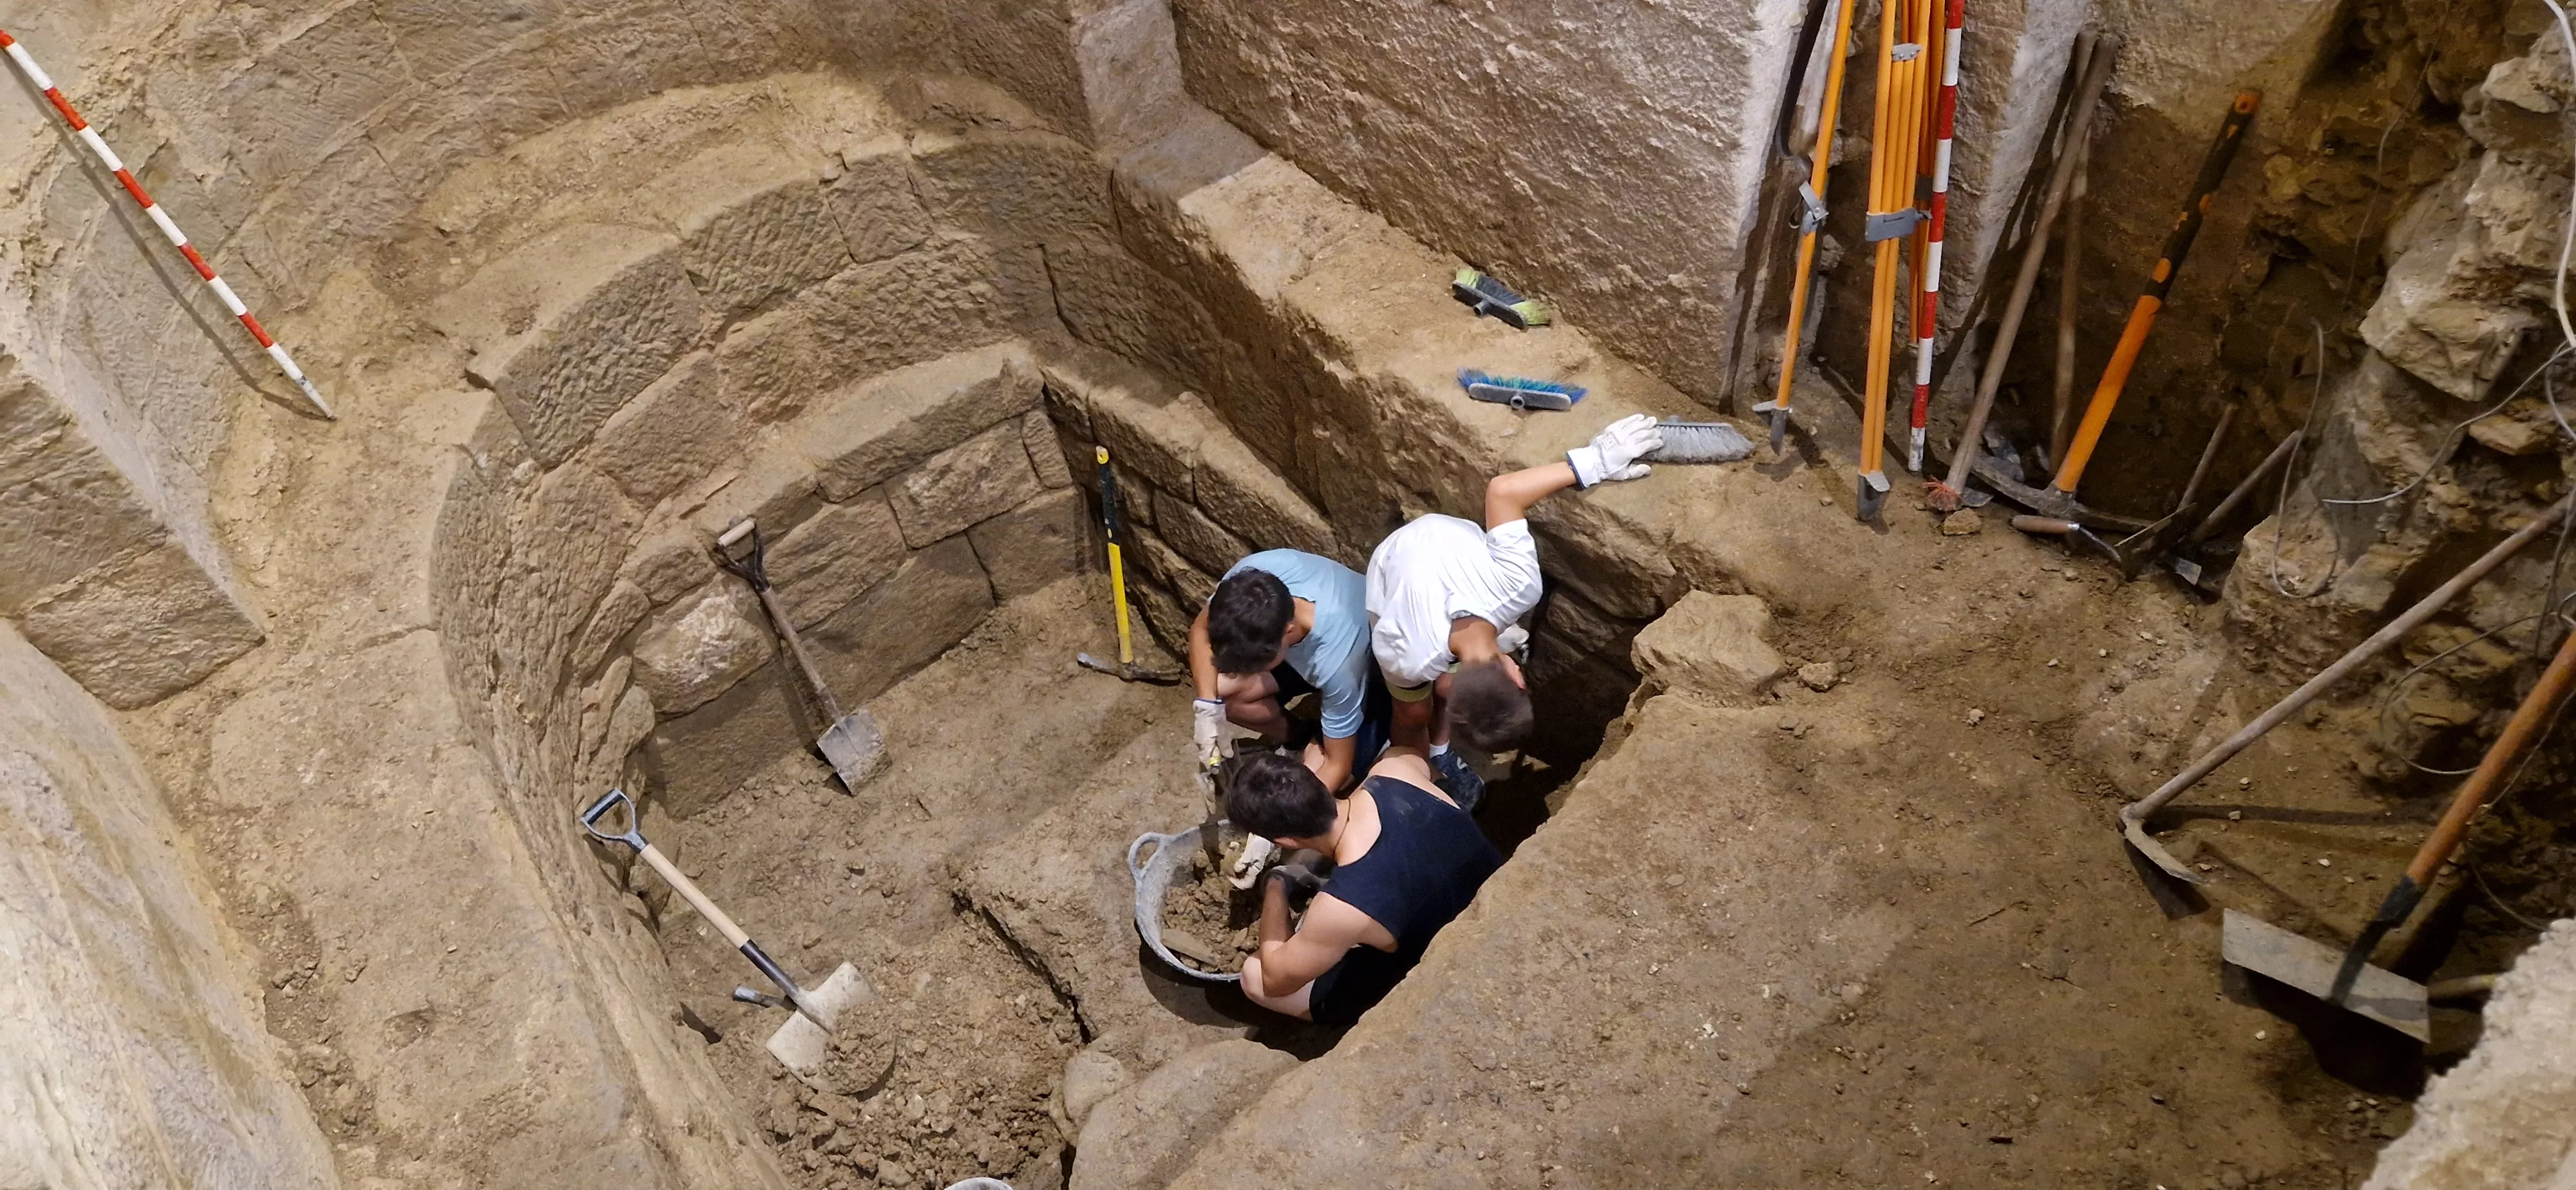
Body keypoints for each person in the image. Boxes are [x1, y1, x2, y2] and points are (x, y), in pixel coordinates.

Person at [1364, 413, 1663, 808]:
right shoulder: (1409, 646)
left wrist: (1593, 461)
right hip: (1390, 574)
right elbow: (1409, 716)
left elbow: (1504, 491)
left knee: (1415, 703)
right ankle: (1433, 765)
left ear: (1515, 677)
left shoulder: (1516, 587)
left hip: (1435, 546)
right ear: (1517, 676)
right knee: (1414, 711)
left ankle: (1438, 754)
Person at [1226, 746, 1501, 1025]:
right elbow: (1424, 764)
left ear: (1285, 841)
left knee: (1252, 975)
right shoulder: (1395, 770)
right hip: (1498, 903)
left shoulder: (1341, 906)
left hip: (1458, 961)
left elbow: (1274, 981)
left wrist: (1276, 885)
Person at [1188, 549, 1393, 882]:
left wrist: (1271, 829)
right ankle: (1299, 737)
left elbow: (1337, 766)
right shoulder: (1250, 584)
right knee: (1224, 691)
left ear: (1287, 631)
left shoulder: (1340, 661)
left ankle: (1324, 739)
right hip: (1300, 654)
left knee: (1351, 766)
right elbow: (1200, 631)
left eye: (1256, 663)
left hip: (1369, 671)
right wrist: (1206, 708)